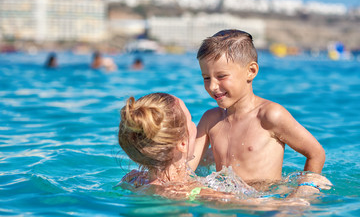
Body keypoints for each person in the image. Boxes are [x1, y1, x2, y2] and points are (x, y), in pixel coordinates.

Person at [188, 29, 328, 197]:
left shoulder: (269, 116)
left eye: (221, 76)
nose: (212, 87)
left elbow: (316, 153)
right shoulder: (210, 119)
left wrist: (304, 191)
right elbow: (187, 166)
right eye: (206, 78)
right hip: (226, 201)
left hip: (265, 202)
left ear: (251, 71)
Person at [117, 93, 319, 206]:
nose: (195, 125)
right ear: (182, 143)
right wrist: (307, 188)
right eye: (191, 120)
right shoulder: (199, 193)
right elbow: (278, 208)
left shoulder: (133, 179)